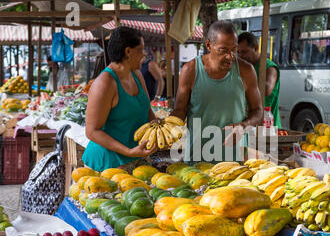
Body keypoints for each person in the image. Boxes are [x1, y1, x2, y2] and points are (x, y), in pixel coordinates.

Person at [170, 20, 263, 163]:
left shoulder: (246, 71)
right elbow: (180, 111)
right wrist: (164, 126)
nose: (230, 56)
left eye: (234, 49)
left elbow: (257, 111)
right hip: (198, 158)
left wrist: (243, 126)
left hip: (234, 162)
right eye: (223, 50)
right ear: (208, 45)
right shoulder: (191, 70)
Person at [82, 27, 158, 172]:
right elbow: (92, 131)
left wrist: (157, 129)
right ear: (128, 52)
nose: (144, 54)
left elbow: (146, 109)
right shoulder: (105, 83)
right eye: (141, 49)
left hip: (136, 159)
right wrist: (128, 151)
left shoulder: (136, 74)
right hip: (108, 163)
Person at [238, 32, 282, 128]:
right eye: (238, 52)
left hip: (268, 127)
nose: (240, 56)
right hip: (249, 126)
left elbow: (266, 89)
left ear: (256, 48)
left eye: (244, 52)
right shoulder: (240, 68)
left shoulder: (269, 68)